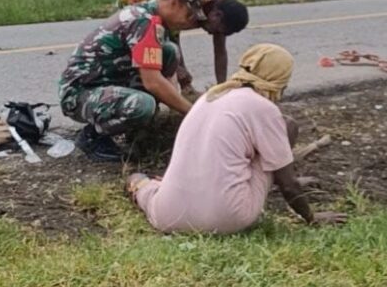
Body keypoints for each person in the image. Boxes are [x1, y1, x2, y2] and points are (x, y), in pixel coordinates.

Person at [126, 44, 347, 233]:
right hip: (228, 218)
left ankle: (137, 184)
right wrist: (311, 217)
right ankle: (271, 182)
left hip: (167, 216)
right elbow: (289, 186)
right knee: (286, 126)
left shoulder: (209, 97)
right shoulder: (263, 108)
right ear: (279, 79)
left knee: (138, 179)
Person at [59, 0, 204, 162]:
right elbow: (153, 83)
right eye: (189, 14)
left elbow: (162, 75)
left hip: (106, 82)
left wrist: (176, 107)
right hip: (78, 94)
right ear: (175, 3)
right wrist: (193, 113)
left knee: (169, 52)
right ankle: (92, 136)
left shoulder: (152, 17)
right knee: (142, 105)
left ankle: (139, 130)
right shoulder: (143, 21)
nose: (190, 22)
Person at [118, 0, 249, 87]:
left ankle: (179, 89)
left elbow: (220, 51)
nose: (213, 33)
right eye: (215, 30)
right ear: (217, 15)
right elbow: (167, 31)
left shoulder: (222, 8)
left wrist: (222, 87)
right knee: (140, 30)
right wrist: (178, 68)